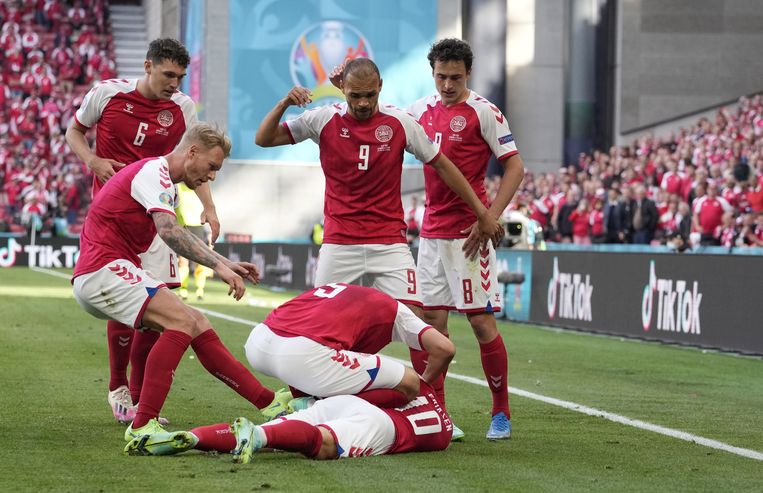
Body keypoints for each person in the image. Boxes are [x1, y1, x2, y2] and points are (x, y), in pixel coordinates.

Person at [71, 123, 290, 445]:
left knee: (197, 322)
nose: (212, 176)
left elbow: (175, 231)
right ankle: (144, 425)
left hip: (111, 270)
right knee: (182, 322)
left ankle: (269, 403)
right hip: (102, 270)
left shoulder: (165, 184)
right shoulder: (152, 172)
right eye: (212, 166)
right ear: (192, 152)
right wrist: (218, 267)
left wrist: (226, 263)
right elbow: (169, 231)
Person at [255, 57, 502, 321]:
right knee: (322, 320)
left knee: (415, 320)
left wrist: (482, 212)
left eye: (370, 95)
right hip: (339, 242)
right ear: (343, 90)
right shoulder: (323, 118)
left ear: (381, 86)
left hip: (389, 242)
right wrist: (284, 104)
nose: (363, 103)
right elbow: (264, 138)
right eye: (355, 95)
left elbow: (444, 166)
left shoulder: (400, 122)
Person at [65, 38, 221, 424]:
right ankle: (118, 387)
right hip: (117, 218)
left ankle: (137, 400)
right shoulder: (106, 94)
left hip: (160, 214)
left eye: (180, 76)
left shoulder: (182, 107)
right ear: (148, 66)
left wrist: (209, 206)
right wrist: (93, 160)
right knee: (130, 302)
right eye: (168, 74)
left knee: (159, 303)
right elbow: (73, 132)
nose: (174, 83)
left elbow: (193, 160)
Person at [124, 379, 452, 462]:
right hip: (386, 430)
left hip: (350, 404)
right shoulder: (443, 432)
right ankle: (257, 438)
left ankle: (194, 437)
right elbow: (437, 436)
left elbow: (377, 394)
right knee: (321, 443)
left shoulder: (413, 385)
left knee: (278, 429)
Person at [243, 283, 455, 406]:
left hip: (258, 341)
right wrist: (423, 385)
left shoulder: (340, 289)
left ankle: (303, 405)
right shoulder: (397, 311)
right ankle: (314, 411)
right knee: (409, 381)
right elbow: (445, 348)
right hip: (301, 355)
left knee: (323, 359)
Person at [175, 182, 214, 301]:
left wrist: (209, 232)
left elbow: (208, 208)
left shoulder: (200, 186)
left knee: (200, 260)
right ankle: (183, 290)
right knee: (183, 261)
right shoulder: (177, 186)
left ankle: (200, 290)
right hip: (182, 226)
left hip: (198, 226)